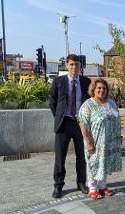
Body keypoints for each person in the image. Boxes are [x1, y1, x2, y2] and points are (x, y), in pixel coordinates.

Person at [49, 54, 91, 198]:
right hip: (64, 124)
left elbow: (90, 102)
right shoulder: (58, 81)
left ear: (80, 66)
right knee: (60, 157)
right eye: (71, 64)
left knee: (82, 156)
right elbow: (52, 102)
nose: (74, 67)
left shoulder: (86, 82)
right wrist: (60, 117)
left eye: (77, 64)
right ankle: (58, 186)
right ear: (66, 65)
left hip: (81, 124)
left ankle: (81, 183)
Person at [78, 78, 122, 199]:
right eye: (99, 88)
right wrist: (89, 143)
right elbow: (83, 124)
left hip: (109, 141)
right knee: (93, 164)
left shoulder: (111, 103)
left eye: (104, 88)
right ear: (93, 89)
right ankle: (92, 188)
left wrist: (118, 137)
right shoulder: (88, 105)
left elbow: (116, 119)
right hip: (94, 142)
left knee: (104, 163)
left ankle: (102, 187)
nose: (101, 90)